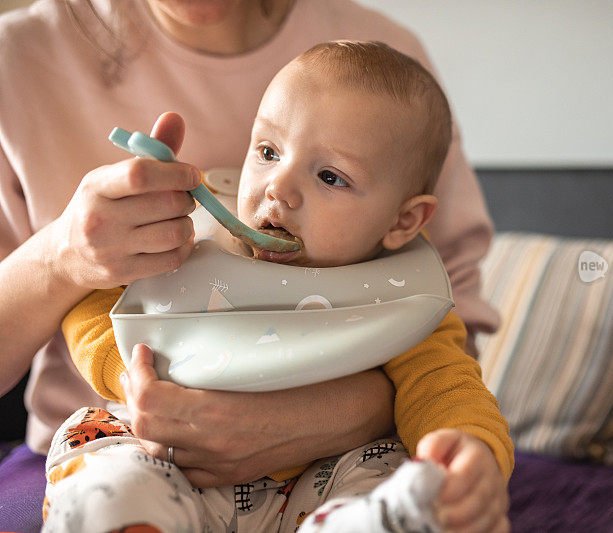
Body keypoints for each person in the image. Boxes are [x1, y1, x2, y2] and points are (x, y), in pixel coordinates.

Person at [0, 0, 499, 530]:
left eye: (330, 177)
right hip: (152, 445)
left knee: (394, 484)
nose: (278, 188)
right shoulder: (184, 245)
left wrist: (468, 458)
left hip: (327, 473)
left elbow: (447, 387)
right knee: (106, 467)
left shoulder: (398, 295)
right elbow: (105, 311)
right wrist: (125, 363)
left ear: (403, 223)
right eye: (266, 152)